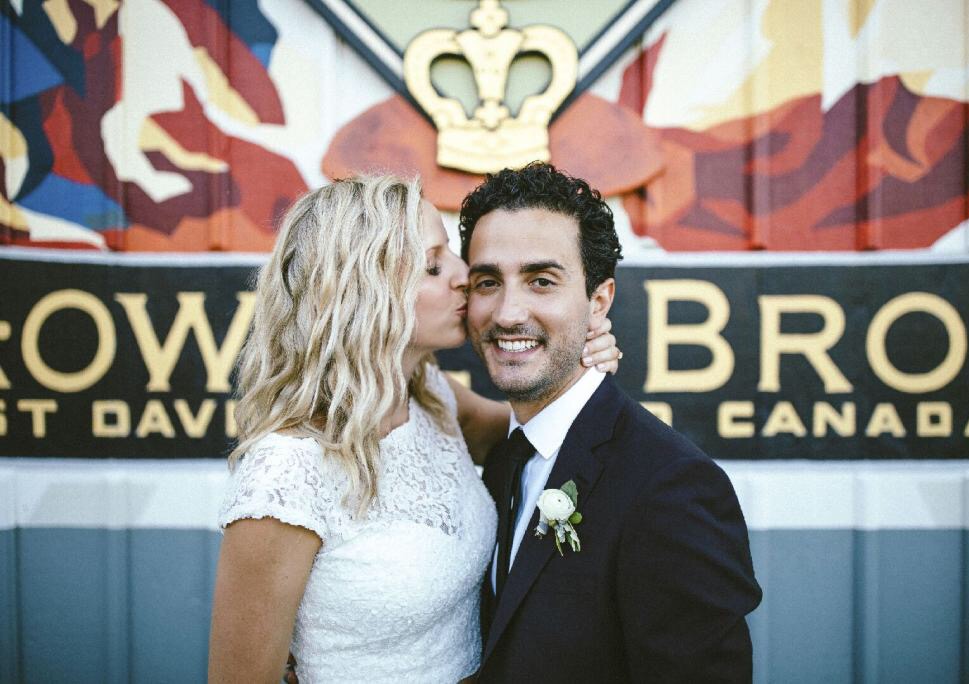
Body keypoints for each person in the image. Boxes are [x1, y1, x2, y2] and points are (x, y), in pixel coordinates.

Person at [207, 174, 620, 683]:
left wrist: (578, 359)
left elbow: (535, 433)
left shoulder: (431, 397)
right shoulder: (285, 473)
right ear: (361, 292)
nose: (465, 276)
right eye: (433, 265)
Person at [460, 163, 762, 682]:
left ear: (598, 302)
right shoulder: (506, 456)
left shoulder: (671, 487)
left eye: (541, 281)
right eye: (488, 282)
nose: (507, 313)